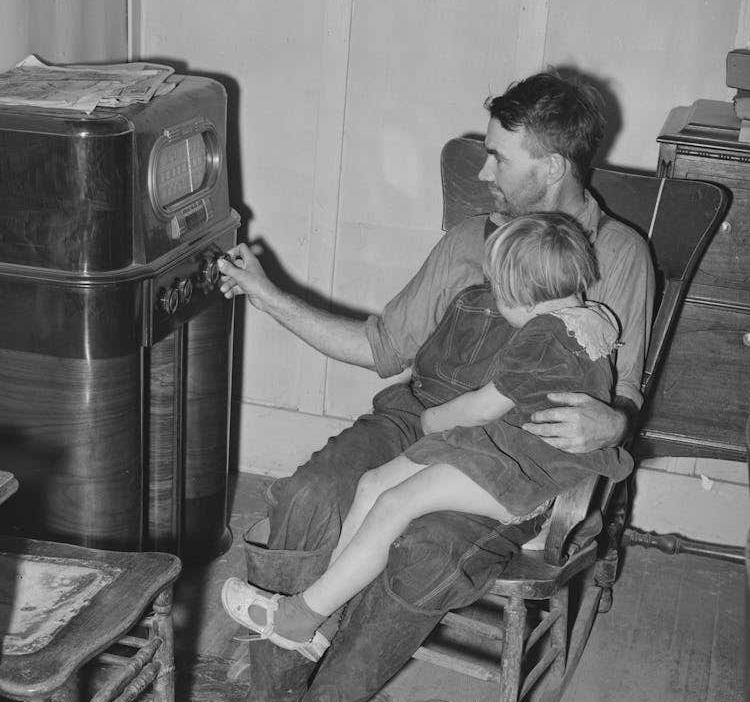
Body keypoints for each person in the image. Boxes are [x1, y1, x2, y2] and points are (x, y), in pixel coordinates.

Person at [187, 69, 655, 702]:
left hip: (508, 452)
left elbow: (621, 400)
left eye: (501, 156)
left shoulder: (618, 257)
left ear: (554, 166)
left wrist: (611, 417)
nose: (482, 169)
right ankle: (270, 696)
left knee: (425, 550)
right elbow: (381, 346)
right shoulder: (472, 239)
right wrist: (266, 294)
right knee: (314, 493)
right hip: (419, 414)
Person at [218, 212, 633, 657]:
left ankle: (300, 617)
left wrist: (431, 420)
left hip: (517, 470)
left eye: (499, 291)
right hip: (496, 448)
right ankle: (324, 615)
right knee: (373, 484)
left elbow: (482, 408)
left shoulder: (543, 338)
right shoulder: (593, 318)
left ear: (524, 296)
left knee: (396, 502)